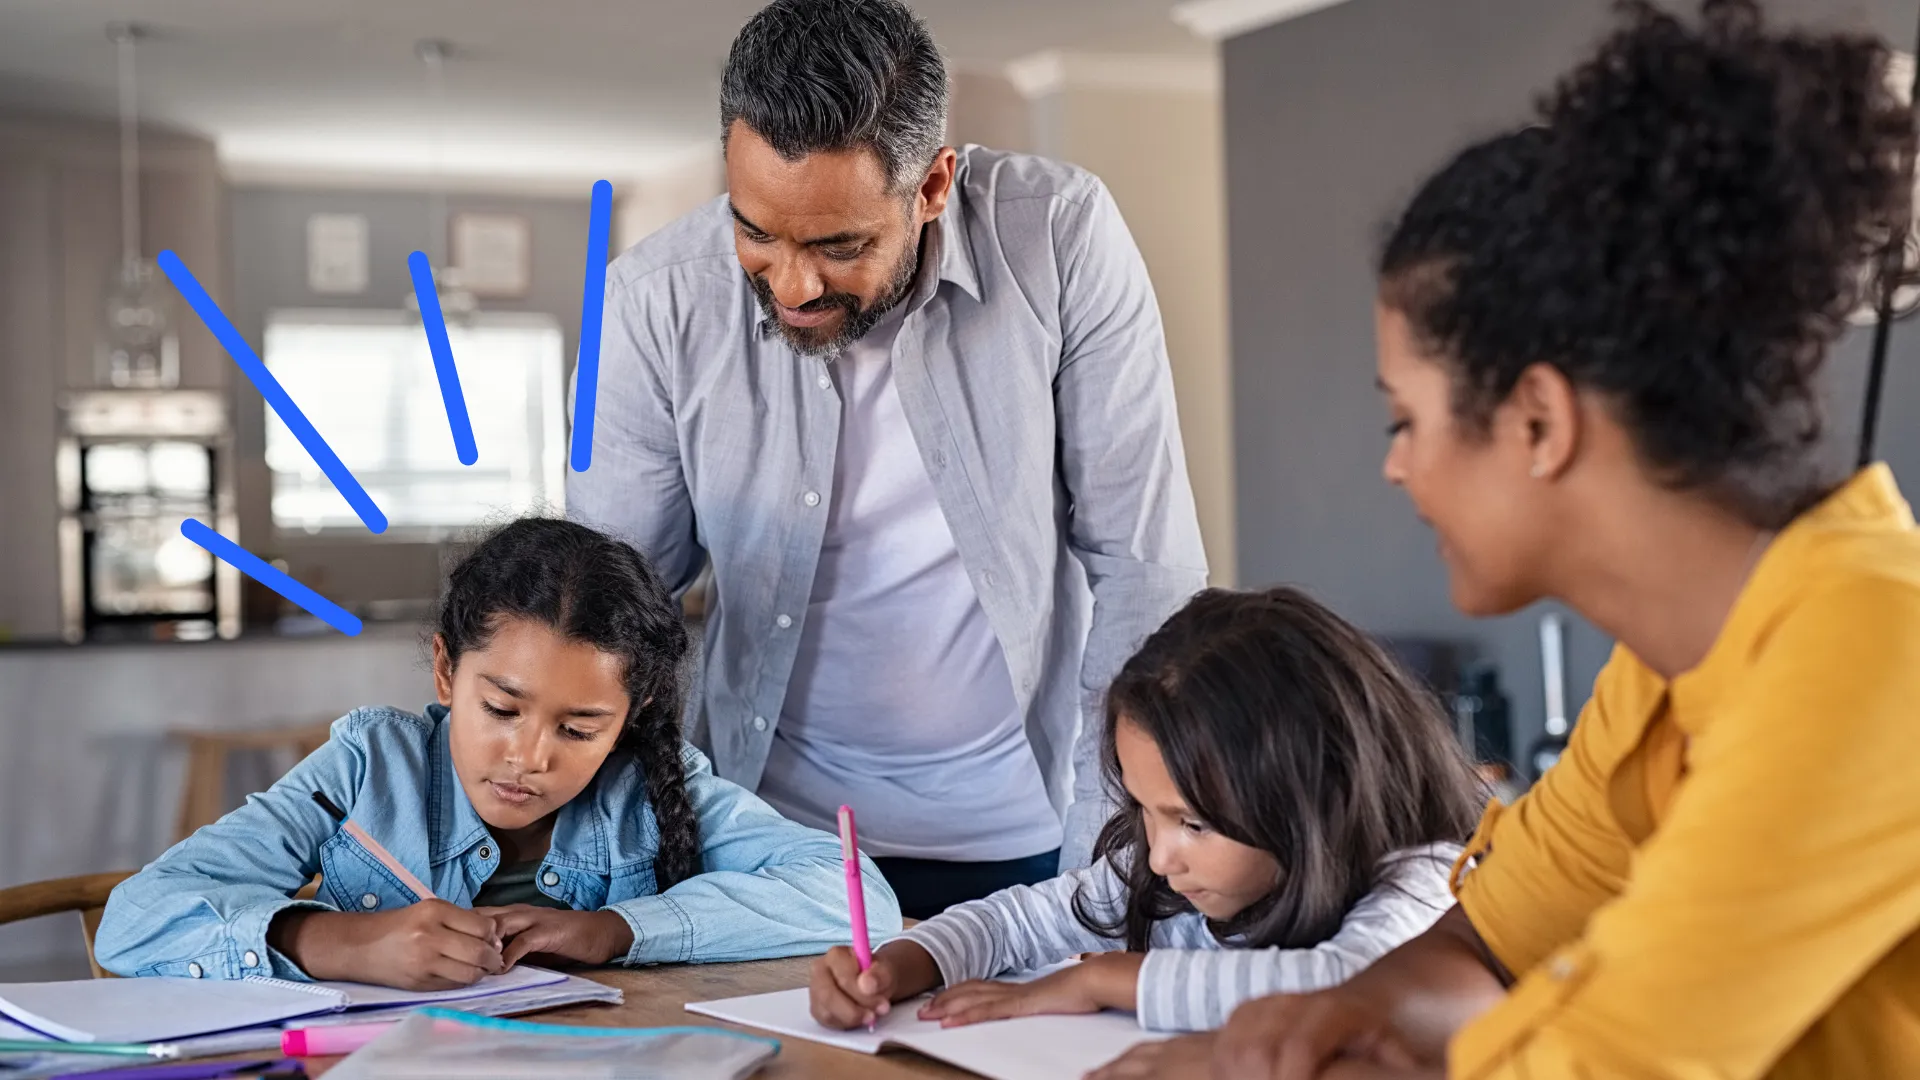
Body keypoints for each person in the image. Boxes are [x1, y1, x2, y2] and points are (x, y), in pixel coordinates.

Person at [1092, 2, 1920, 1078]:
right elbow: (1485, 938)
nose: (1395, 466)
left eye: (1406, 419)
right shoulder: (1661, 678)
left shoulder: (1866, 652)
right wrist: (1322, 1028)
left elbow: (1606, 1056)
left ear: (1538, 419)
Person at [567, 0, 1208, 918]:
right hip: (767, 843)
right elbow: (607, 607)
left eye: (839, 245)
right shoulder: (650, 300)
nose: (792, 285)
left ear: (934, 185)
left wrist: (1104, 859)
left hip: (1035, 833)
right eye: (756, 232)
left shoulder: (1060, 236)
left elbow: (1148, 569)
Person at [95, 519, 901, 988]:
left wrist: (617, 929)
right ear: (448, 671)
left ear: (632, 716)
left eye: (579, 728)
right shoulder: (368, 767)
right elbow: (133, 922)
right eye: (502, 708)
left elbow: (855, 896)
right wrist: (335, 942)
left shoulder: (656, 787)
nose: (529, 756)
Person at [807, 587, 1483, 1034]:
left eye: (1194, 822)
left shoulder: (1426, 882)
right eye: (1143, 809)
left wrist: (1106, 978)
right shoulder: (1161, 871)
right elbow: (1016, 921)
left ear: (1319, 793)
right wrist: (901, 965)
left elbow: (1353, 987)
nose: (1159, 857)